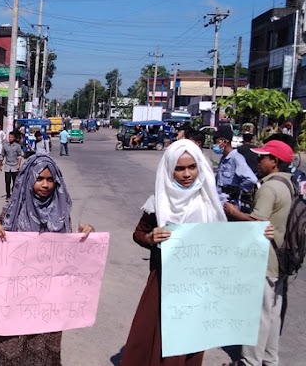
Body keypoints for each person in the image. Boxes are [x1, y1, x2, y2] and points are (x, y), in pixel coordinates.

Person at [121, 140, 229, 366]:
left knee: (190, 338)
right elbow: (138, 233)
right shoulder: (159, 202)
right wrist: (151, 238)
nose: (187, 174)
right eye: (179, 169)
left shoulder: (208, 201)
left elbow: (228, 239)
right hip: (164, 281)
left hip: (198, 283)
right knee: (160, 335)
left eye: (192, 167)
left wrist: (261, 233)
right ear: (169, 170)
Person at [0, 155, 95, 366]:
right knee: (10, 349)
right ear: (27, 180)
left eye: (50, 179)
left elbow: (70, 258)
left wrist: (87, 237)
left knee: (44, 353)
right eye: (39, 179)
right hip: (16, 300)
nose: (45, 184)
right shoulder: (12, 211)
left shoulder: (62, 215)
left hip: (48, 303)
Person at [224, 140, 294, 366]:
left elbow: (258, 222)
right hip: (282, 258)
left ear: (274, 162)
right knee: (273, 313)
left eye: (263, 156)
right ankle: (269, 359)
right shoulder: (289, 184)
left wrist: (234, 212)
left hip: (265, 259)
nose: (258, 160)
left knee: (258, 313)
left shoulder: (269, 188)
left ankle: (250, 361)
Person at [213, 127, 258, 208]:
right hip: (218, 203)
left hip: (228, 205)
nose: (214, 144)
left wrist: (237, 189)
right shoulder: (224, 159)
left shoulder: (236, 158)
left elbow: (251, 179)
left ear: (225, 142)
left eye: (215, 141)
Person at [0, 133, 24, 201]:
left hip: (15, 166)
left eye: (12, 137)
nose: (10, 138)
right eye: (9, 137)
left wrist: (19, 165)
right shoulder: (5, 146)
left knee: (15, 182)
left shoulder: (17, 146)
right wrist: (0, 165)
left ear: (14, 138)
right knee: (7, 182)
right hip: (7, 166)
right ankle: (8, 195)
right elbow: (2, 155)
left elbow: (19, 156)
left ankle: (14, 194)